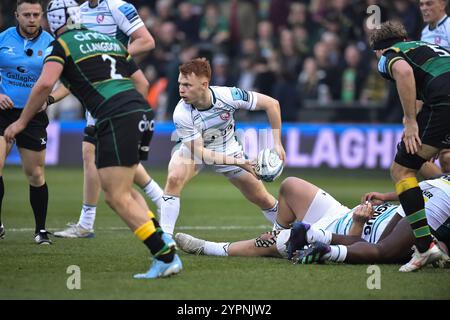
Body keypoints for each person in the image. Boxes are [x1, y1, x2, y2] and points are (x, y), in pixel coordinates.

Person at [4, 0, 181, 279]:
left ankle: (164, 254)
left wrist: (21, 122)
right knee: (127, 190)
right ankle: (163, 242)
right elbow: (143, 84)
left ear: (52, 22)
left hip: (115, 116)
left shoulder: (60, 46)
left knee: (116, 196)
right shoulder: (104, 39)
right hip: (140, 111)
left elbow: (44, 84)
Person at [52, 0, 164, 238]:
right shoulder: (78, 12)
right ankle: (159, 200)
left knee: (99, 159)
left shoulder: (117, 6)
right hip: (96, 91)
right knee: (98, 155)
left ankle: (88, 222)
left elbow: (147, 40)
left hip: (114, 90)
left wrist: (108, 54)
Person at [175, 175, 450, 268]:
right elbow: (415, 183)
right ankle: (280, 236)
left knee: (280, 242)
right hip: (340, 213)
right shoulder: (439, 183)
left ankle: (210, 247)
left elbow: (364, 246)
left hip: (344, 229)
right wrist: (386, 195)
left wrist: (357, 221)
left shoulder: (419, 227)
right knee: (291, 185)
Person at [160, 58, 285, 237]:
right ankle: (165, 241)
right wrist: (241, 162)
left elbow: (272, 104)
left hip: (227, 148)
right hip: (195, 149)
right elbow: (201, 152)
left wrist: (277, 143)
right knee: (174, 178)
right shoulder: (181, 113)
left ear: (204, 84)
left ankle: (293, 231)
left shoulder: (228, 96)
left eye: (187, 85)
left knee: (262, 198)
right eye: (180, 83)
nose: (181, 89)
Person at [370, 20, 450, 271]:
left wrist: (410, 121)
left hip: (444, 102)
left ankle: (425, 247)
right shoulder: (426, 46)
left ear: (378, 49)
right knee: (432, 161)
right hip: (442, 100)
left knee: (402, 171)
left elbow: (404, 73)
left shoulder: (389, 56)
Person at [0, 0, 54, 244]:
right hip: (3, 113)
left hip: (32, 117)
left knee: (35, 174)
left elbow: (71, 82)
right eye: (26, 14)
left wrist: (49, 99)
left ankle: (40, 231)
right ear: (16, 16)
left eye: (36, 14)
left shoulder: (52, 45)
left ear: (42, 15)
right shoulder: (3, 39)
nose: (32, 19)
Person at [419, 0, 450, 177]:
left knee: (446, 158)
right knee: (421, 158)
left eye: (429, 4)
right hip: (434, 101)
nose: (424, 8)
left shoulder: (449, 27)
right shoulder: (425, 33)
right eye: (421, 4)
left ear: (442, 4)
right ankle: (443, 192)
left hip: (446, 100)